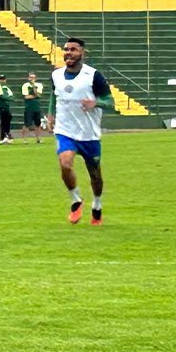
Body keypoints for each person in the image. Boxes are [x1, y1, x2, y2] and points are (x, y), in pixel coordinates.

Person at [52, 37, 110, 225]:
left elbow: (110, 102)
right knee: (65, 164)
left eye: (74, 49)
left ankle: (97, 204)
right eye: (66, 49)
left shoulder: (93, 76)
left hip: (89, 135)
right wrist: (50, 113)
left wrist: (96, 103)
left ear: (82, 53)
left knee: (95, 175)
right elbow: (55, 96)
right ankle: (76, 200)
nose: (69, 52)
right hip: (65, 130)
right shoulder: (56, 75)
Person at [21, 71, 47, 143]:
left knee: (38, 123)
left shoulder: (39, 85)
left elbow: (38, 95)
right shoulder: (25, 85)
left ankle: (38, 138)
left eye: (33, 77)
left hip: (37, 107)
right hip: (29, 107)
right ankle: (24, 139)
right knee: (27, 124)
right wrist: (34, 96)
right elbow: (26, 96)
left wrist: (33, 88)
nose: (31, 79)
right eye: (30, 77)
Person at [0, 73, 14, 145]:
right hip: (1, 106)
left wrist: (8, 98)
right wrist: (8, 98)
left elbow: (11, 96)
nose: (2, 81)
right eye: (0, 79)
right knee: (4, 121)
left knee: (8, 120)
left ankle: (6, 135)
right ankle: (3, 137)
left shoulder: (6, 87)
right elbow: (2, 96)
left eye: (3, 79)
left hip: (6, 106)